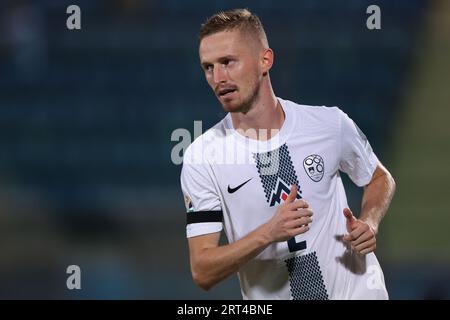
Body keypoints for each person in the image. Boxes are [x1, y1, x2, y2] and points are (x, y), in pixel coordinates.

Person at [180, 8, 396, 300]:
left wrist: (370, 221)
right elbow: (202, 271)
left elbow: (379, 177)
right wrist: (268, 233)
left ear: (264, 60)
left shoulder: (329, 124)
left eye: (228, 62)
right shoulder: (202, 157)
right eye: (208, 67)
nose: (218, 77)